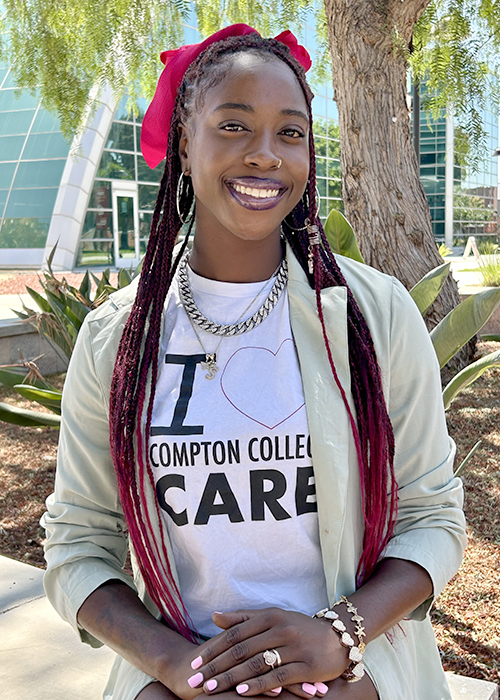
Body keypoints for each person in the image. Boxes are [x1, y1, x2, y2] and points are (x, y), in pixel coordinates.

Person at [42, 24, 467, 700]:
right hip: (185, 678)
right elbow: (77, 544)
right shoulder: (117, 338)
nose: (266, 155)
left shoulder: (374, 315)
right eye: (234, 126)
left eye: (290, 132)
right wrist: (176, 666)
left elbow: (433, 518)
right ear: (185, 143)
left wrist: (340, 635)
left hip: (355, 671)